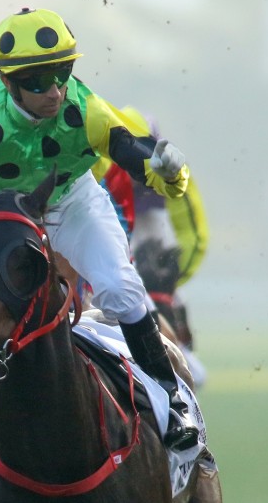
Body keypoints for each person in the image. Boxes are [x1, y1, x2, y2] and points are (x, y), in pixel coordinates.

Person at [0, 7, 200, 476]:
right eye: (39, 82)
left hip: (74, 201)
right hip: (4, 213)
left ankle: (172, 401)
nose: (55, 91)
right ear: (9, 83)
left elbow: (129, 150)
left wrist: (171, 175)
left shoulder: (84, 107)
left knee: (121, 290)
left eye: (62, 74)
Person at [92, 105, 210, 388]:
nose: (137, 165)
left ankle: (179, 365)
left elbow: (193, 237)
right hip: (103, 248)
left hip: (144, 241)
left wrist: (168, 282)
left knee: (158, 248)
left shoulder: (171, 169)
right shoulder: (99, 169)